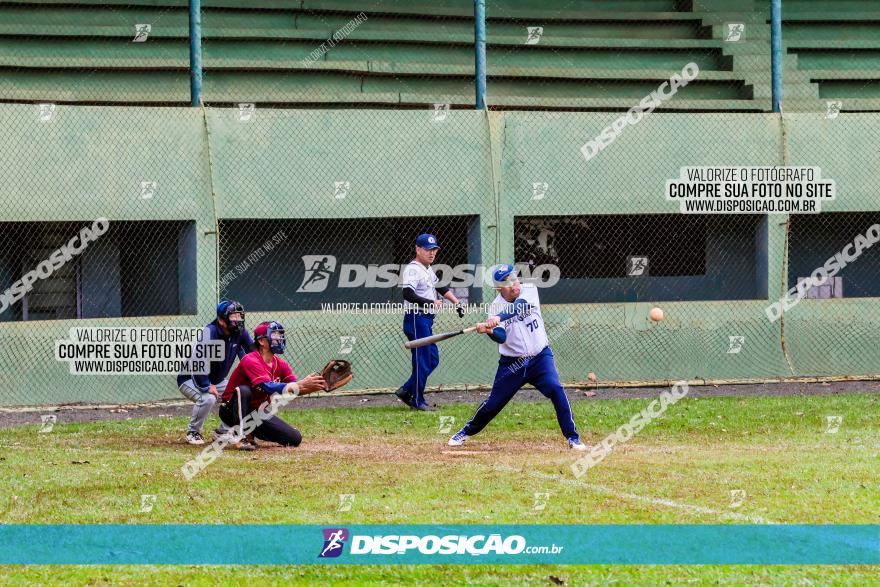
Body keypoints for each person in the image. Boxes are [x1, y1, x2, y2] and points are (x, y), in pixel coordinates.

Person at [448, 264, 587, 450]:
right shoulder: (494, 307)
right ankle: (466, 431)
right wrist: (489, 330)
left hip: (540, 357)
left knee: (555, 388)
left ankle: (573, 437)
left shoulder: (529, 290)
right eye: (507, 282)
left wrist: (499, 318)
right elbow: (502, 337)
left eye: (514, 279)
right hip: (513, 364)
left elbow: (518, 308)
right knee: (493, 404)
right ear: (498, 288)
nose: (514, 285)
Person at [219, 320, 325, 449]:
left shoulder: (281, 364)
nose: (279, 338)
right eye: (274, 335)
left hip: (256, 413)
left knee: (294, 438)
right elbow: (267, 386)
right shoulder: (250, 359)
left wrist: (316, 386)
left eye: (280, 335)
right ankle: (240, 436)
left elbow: (293, 389)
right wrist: (301, 383)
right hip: (230, 411)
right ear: (261, 341)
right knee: (244, 390)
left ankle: (251, 431)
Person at [395, 233, 464, 411]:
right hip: (416, 318)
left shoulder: (427, 269)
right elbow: (407, 294)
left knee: (432, 359)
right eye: (428, 249)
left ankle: (406, 390)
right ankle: (417, 400)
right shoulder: (413, 269)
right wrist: (430, 303)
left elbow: (439, 286)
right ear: (418, 249)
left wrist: (456, 302)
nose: (432, 253)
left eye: (434, 250)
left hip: (425, 320)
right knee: (423, 360)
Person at [177, 300, 253, 445]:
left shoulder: (240, 332)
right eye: (233, 316)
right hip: (190, 379)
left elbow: (251, 355)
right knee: (208, 398)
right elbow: (197, 362)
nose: (238, 320)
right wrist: (206, 386)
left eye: (239, 316)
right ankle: (193, 432)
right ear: (221, 319)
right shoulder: (210, 332)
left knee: (240, 393)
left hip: (217, 380)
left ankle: (222, 431)